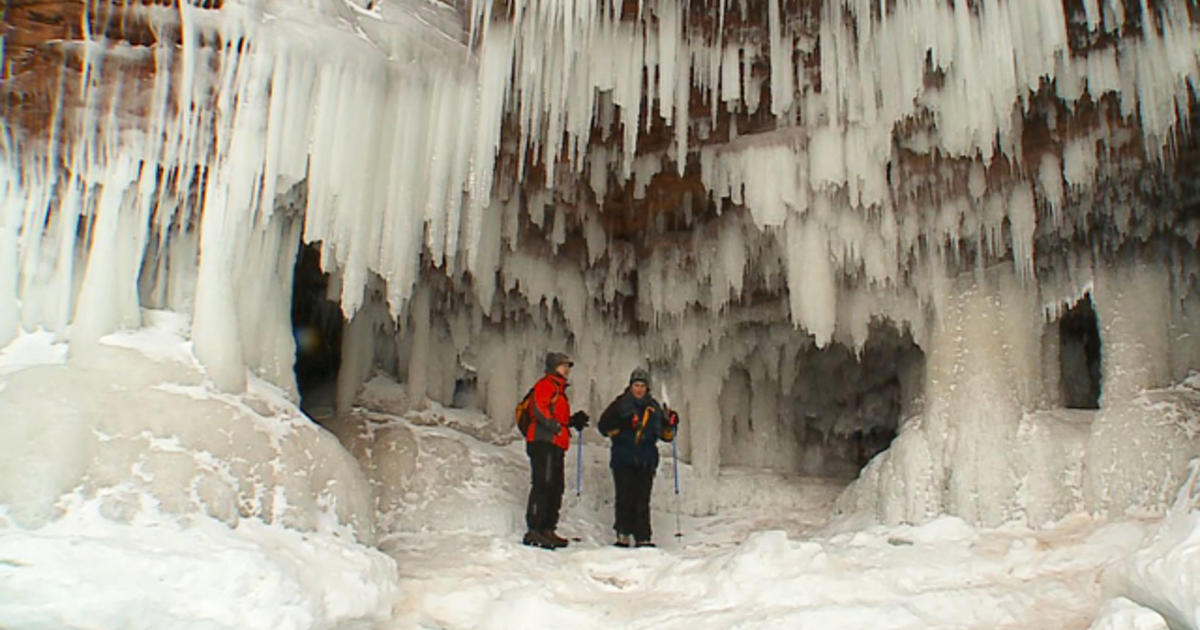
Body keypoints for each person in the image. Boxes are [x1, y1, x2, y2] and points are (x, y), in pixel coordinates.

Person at [597, 367, 679, 548]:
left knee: (642, 499)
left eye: (642, 385)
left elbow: (666, 436)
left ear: (647, 388)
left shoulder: (654, 408)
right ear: (630, 386)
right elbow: (603, 427)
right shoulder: (620, 405)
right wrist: (622, 425)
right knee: (625, 496)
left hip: (646, 459)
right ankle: (623, 533)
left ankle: (643, 536)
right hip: (623, 458)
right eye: (636, 385)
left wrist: (670, 424)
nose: (639, 389)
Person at [521, 351, 589, 550]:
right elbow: (539, 408)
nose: (567, 369)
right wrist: (555, 426)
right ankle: (534, 529)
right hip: (544, 442)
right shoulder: (546, 385)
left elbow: (555, 414)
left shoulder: (559, 390)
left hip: (556, 443)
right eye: (563, 365)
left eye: (567, 366)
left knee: (555, 486)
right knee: (543, 483)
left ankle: (548, 528)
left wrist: (571, 421)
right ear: (553, 367)